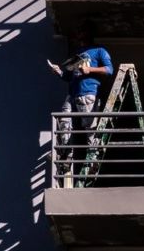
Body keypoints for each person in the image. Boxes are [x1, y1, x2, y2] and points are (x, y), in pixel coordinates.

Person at [48, 20, 114, 161]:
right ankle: (66, 154)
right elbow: (69, 76)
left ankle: (92, 158)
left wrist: (89, 69)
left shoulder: (99, 51)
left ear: (90, 33)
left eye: (82, 31)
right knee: (64, 121)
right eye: (78, 32)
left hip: (88, 93)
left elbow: (109, 70)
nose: (79, 34)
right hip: (73, 94)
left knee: (89, 127)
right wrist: (59, 72)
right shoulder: (77, 53)